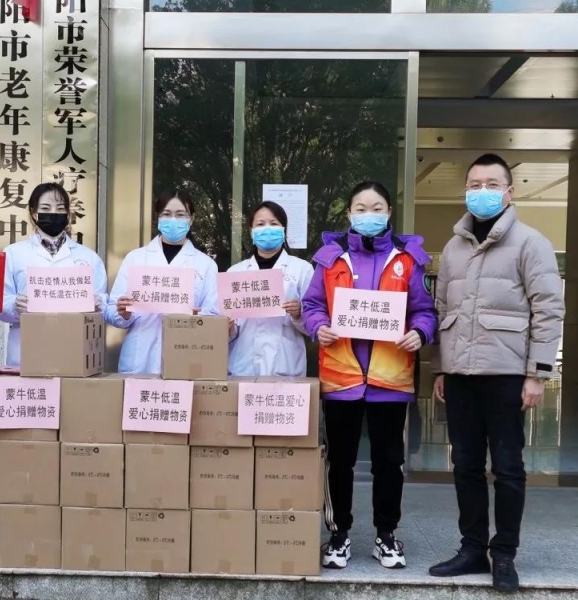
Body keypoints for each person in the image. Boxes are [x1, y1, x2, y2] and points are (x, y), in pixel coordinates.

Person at [428, 154, 564, 593]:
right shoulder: (453, 247)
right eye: (474, 184)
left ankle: (503, 552)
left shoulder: (531, 243)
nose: (481, 191)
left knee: (507, 467)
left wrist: (536, 374)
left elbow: (548, 310)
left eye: (491, 184)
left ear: (509, 191)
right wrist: (441, 368)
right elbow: (442, 309)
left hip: (507, 374)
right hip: (460, 375)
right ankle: (472, 548)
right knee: (465, 464)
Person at [301, 181, 437, 570]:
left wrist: (420, 332)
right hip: (341, 377)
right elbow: (312, 304)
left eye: (377, 208)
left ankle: (386, 535)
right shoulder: (331, 259)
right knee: (339, 461)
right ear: (348, 213)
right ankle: (338, 534)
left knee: (389, 462)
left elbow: (424, 310)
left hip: (390, 379)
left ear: (389, 212)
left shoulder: (407, 260)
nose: (369, 215)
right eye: (360, 208)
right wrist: (318, 326)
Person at [105, 188, 219, 374]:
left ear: (191, 219)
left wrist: (197, 316)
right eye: (166, 214)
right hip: (140, 360)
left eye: (180, 215)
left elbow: (215, 315)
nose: (173, 220)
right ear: (158, 218)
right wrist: (123, 313)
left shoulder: (205, 265)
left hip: (186, 357)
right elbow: (111, 311)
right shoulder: (136, 259)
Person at [0, 182, 108, 367]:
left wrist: (97, 305)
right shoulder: (12, 254)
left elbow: (103, 302)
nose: (54, 213)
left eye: (60, 208)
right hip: (27, 350)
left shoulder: (89, 257)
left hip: (74, 349)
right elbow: (0, 302)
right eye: (46, 208)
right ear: (34, 213)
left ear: (68, 214)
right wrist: (15, 305)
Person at [228, 201, 313, 376]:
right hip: (243, 365)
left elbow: (313, 326)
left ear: (283, 230)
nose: (267, 229)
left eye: (274, 224)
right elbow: (230, 329)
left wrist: (298, 314)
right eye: (260, 224)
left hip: (285, 364)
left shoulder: (302, 269)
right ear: (251, 231)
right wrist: (227, 327)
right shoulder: (235, 273)